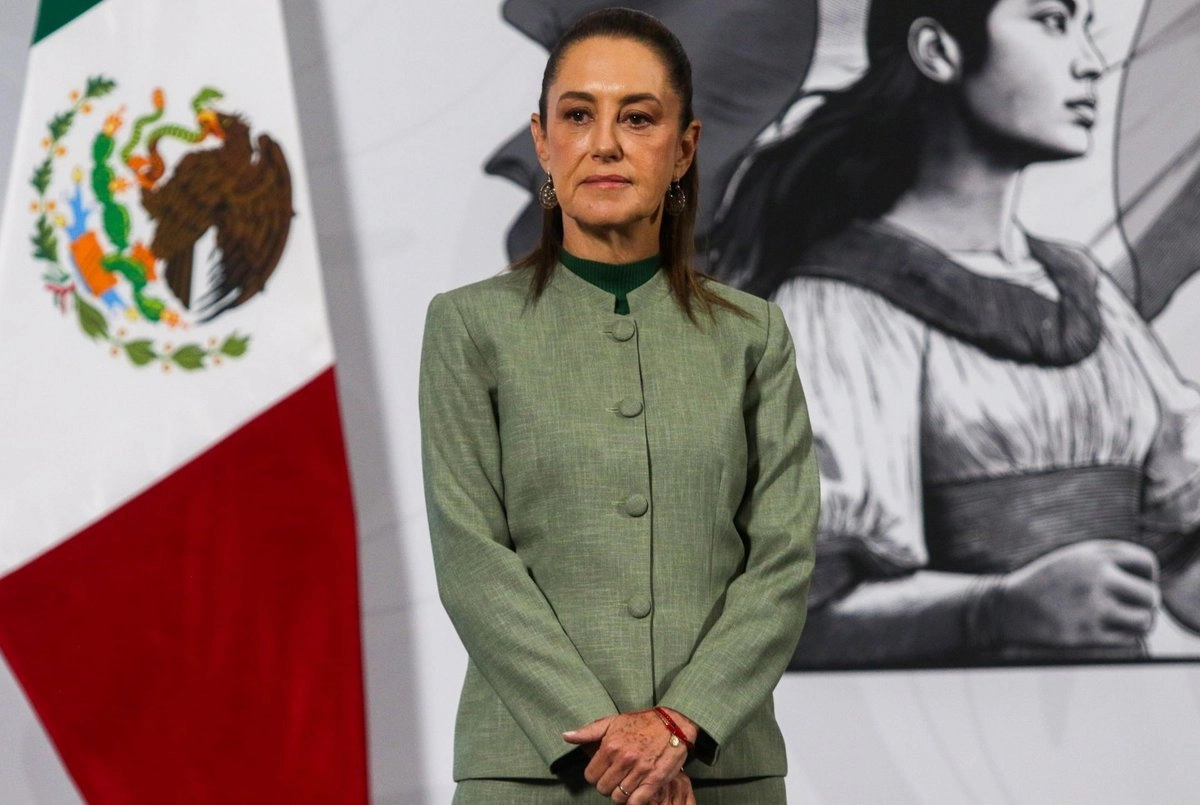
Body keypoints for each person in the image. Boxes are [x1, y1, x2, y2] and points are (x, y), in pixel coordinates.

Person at [711, 0, 1200, 667]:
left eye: (1087, 27)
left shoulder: (1082, 289)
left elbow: (1181, 554)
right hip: (946, 735)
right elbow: (789, 615)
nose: (1091, 62)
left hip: (1115, 729)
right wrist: (995, 606)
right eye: (1053, 23)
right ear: (938, 50)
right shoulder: (839, 305)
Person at [419, 8, 819, 804]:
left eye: (638, 117)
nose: (605, 142)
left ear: (685, 148)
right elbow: (472, 560)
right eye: (578, 115)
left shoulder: (754, 334)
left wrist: (678, 725)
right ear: (542, 141)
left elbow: (783, 559)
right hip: (531, 773)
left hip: (719, 770)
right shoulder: (468, 326)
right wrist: (617, 747)